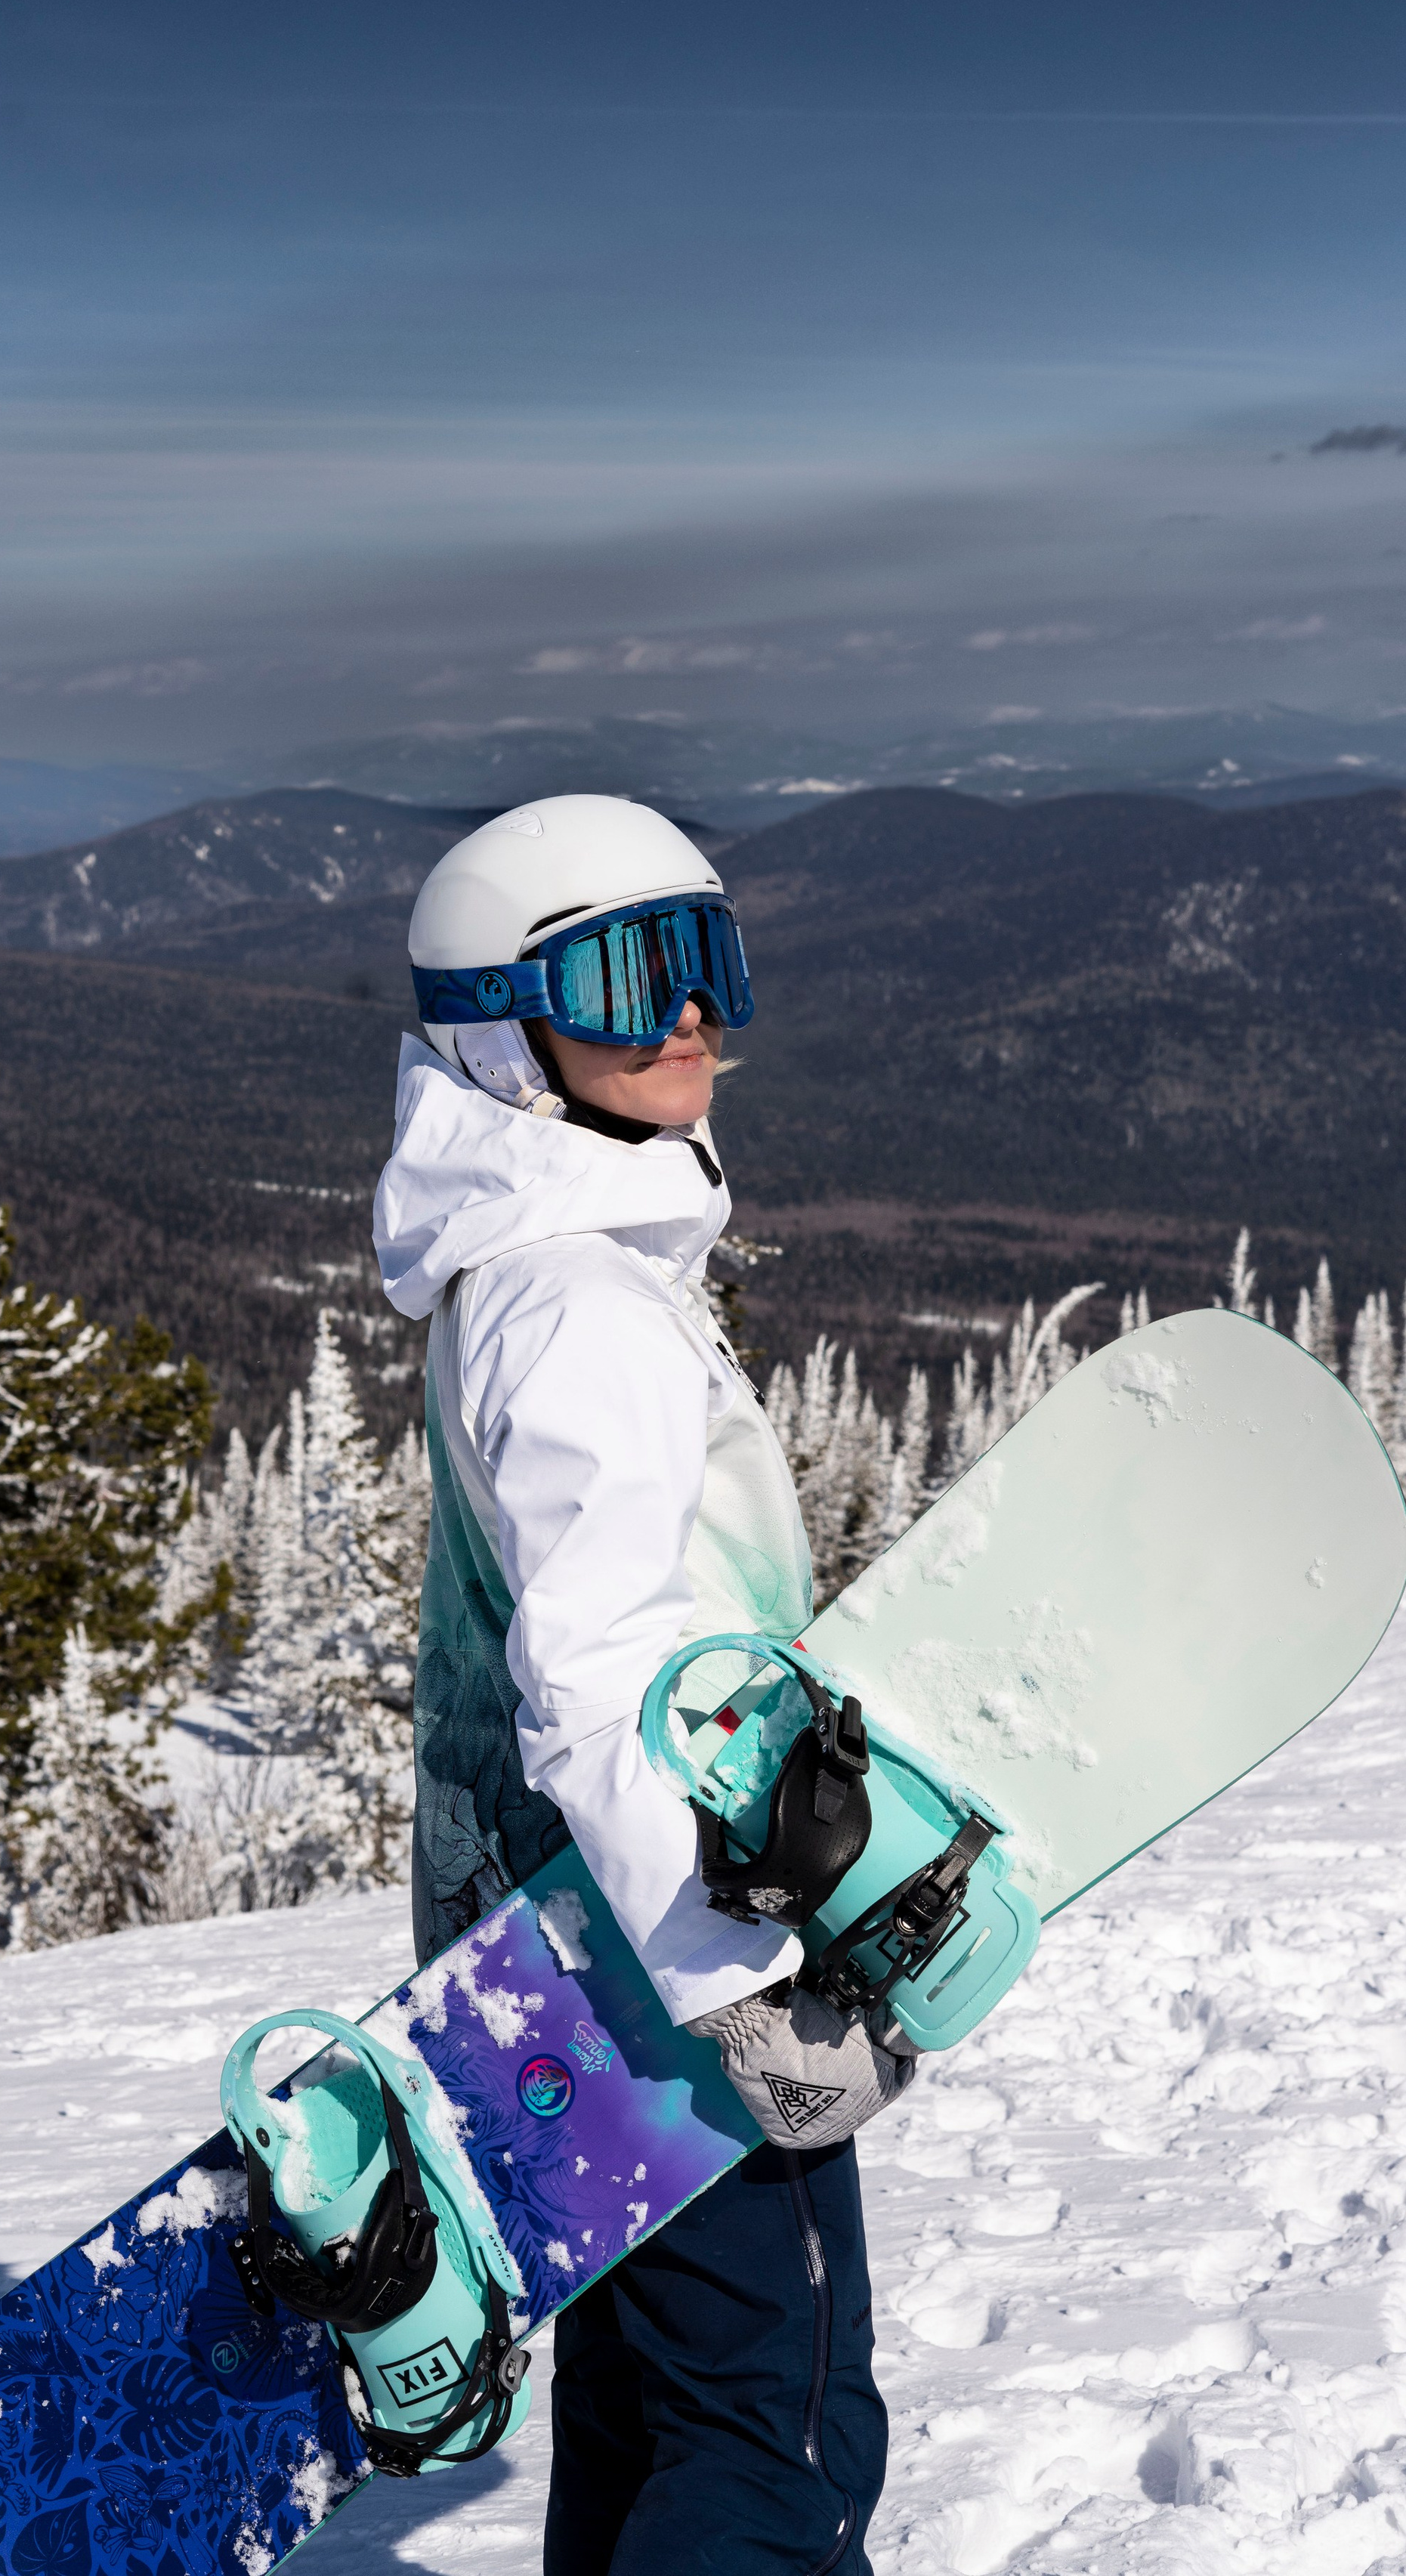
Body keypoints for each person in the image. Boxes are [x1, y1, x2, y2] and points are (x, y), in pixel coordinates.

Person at [373, 793, 913, 2576]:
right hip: (646, 1957)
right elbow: (594, 1683)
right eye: (622, 977)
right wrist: (741, 1989)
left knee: (641, 2397)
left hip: (532, 1945)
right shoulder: (581, 1311)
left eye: (706, 963)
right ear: (500, 1033)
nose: (686, 1017)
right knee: (769, 2423)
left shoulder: (516, 1279)